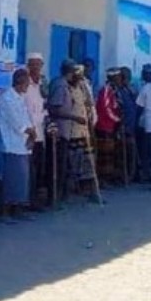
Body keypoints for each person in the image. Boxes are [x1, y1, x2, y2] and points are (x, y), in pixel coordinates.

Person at [48, 59, 98, 203]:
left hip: (78, 131)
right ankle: (57, 196)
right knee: (62, 165)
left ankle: (70, 193)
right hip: (63, 131)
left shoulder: (79, 86)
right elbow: (54, 109)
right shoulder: (60, 85)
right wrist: (74, 117)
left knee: (78, 163)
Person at [0, 69, 37, 223]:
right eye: (26, 83)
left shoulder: (20, 97)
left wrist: (32, 133)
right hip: (11, 144)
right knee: (11, 179)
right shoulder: (7, 98)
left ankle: (19, 209)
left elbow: (27, 119)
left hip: (23, 144)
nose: (28, 86)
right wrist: (30, 133)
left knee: (22, 179)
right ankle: (6, 212)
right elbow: (16, 123)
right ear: (19, 82)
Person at [23, 52, 49, 209]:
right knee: (29, 169)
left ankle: (36, 201)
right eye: (32, 64)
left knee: (39, 168)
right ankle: (27, 200)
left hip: (40, 133)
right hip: (28, 134)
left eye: (38, 65)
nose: (35, 68)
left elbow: (44, 107)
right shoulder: (25, 84)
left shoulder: (43, 84)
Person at [94, 68, 123, 187]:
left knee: (112, 154)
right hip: (104, 125)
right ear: (113, 77)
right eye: (118, 77)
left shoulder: (115, 90)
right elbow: (106, 109)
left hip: (112, 126)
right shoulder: (106, 90)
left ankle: (110, 177)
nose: (120, 79)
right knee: (104, 155)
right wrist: (117, 119)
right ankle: (102, 179)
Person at [117, 66, 139, 183]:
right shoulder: (117, 91)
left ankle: (131, 175)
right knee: (122, 152)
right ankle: (123, 176)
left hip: (132, 125)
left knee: (132, 151)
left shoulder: (131, 90)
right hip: (122, 126)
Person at [134, 63, 151, 181]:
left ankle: (148, 173)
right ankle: (141, 173)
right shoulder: (137, 85)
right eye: (147, 73)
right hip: (141, 121)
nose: (149, 76)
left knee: (150, 150)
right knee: (141, 149)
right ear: (143, 74)